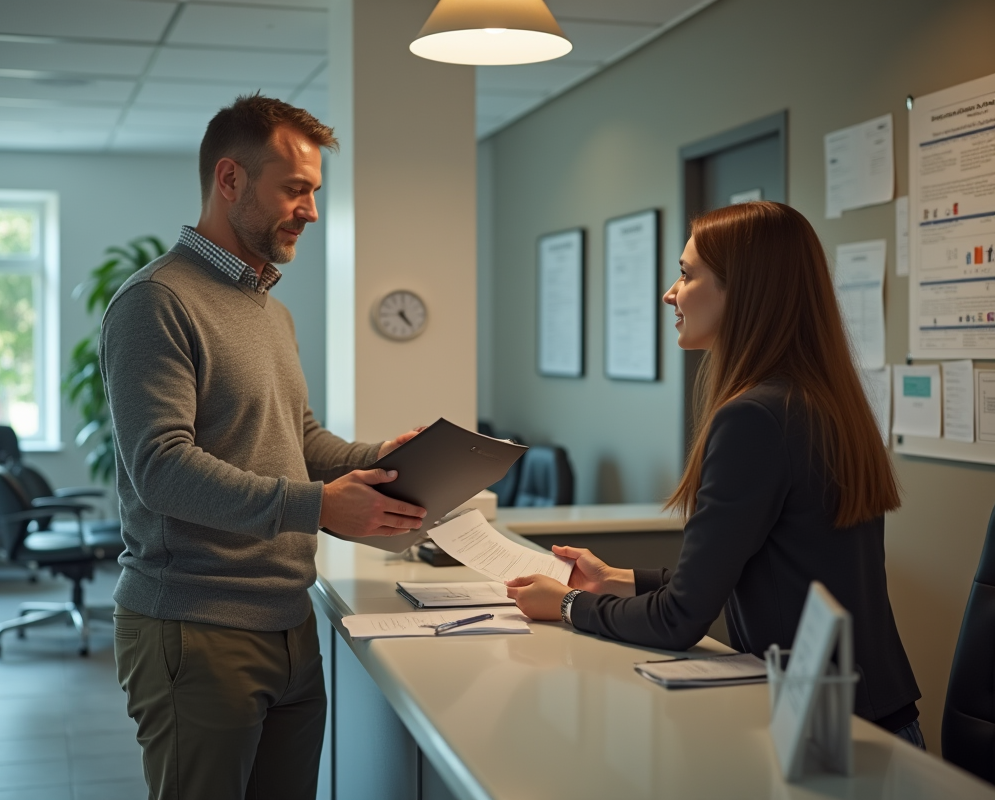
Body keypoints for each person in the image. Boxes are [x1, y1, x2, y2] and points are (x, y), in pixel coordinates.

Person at [101, 94, 428, 799]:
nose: (310, 209)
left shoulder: (269, 311)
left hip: (287, 623)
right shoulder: (156, 301)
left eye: (314, 190)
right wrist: (316, 508)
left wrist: (387, 457)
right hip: (196, 627)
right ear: (230, 180)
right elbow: (161, 467)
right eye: (296, 189)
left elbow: (296, 439)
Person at [506, 201, 924, 747]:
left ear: (743, 290)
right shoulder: (818, 400)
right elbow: (756, 573)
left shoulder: (753, 417)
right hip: (876, 721)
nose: (670, 293)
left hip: (824, 738)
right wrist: (614, 579)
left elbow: (679, 620)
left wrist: (565, 605)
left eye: (686, 274)